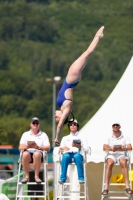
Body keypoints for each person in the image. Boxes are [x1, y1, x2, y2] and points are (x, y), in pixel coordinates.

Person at [53, 26, 105, 145]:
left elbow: (61, 122)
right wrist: (57, 138)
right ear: (62, 117)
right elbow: (60, 124)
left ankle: (98, 37)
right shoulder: (67, 109)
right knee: (86, 54)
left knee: (86, 55)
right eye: (56, 117)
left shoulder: (64, 107)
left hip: (72, 79)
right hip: (71, 79)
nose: (55, 115)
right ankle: (98, 37)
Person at [102, 122, 132, 195]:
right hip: (112, 154)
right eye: (114, 125)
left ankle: (127, 186)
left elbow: (130, 147)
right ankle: (106, 187)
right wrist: (111, 149)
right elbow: (104, 147)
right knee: (109, 163)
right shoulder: (108, 136)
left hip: (121, 154)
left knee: (123, 162)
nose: (115, 126)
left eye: (117, 125)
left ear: (119, 126)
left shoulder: (125, 136)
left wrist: (124, 148)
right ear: (112, 127)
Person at [19, 117, 50, 183]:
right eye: (34, 123)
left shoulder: (43, 135)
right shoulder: (25, 134)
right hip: (28, 153)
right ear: (30, 124)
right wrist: (26, 146)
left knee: (36, 153)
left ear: (39, 124)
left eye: (37, 123)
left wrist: (38, 147)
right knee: (25, 154)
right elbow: (20, 147)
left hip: (39, 154)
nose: (35, 124)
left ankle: (36, 176)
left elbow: (48, 148)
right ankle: (26, 176)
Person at [58, 119, 89, 184]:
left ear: (77, 126)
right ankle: (62, 178)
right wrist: (63, 148)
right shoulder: (65, 138)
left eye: (74, 124)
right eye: (70, 124)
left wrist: (79, 146)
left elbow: (87, 149)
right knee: (65, 157)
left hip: (78, 153)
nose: (72, 125)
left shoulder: (82, 137)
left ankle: (81, 177)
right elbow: (60, 149)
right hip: (68, 154)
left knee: (77, 156)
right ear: (69, 127)